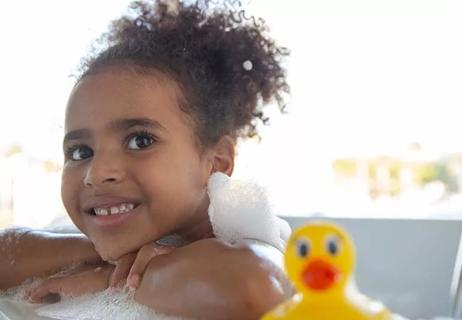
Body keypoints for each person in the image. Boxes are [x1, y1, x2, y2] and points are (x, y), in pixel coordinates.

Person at [0, 0, 291, 318]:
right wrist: (98, 257)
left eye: (140, 141)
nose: (96, 173)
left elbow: (258, 287)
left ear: (216, 162)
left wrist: (115, 281)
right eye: (81, 152)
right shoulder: (102, 237)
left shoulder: (249, 238)